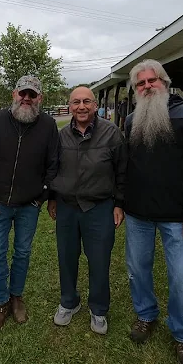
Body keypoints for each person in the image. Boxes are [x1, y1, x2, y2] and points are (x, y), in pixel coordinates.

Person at [123, 59, 183, 364]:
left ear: (164, 82)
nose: (147, 87)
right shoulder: (131, 120)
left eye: (152, 80)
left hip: (178, 217)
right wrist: (121, 202)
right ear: (135, 90)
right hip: (138, 215)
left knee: (182, 278)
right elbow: (127, 167)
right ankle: (146, 315)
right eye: (141, 83)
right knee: (137, 269)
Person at [0, 74, 59, 335]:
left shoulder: (48, 125)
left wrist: (40, 197)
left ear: (39, 98)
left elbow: (53, 165)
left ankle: (16, 297)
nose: (26, 98)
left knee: (22, 253)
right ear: (14, 94)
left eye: (32, 94)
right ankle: (0, 304)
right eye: (22, 93)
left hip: (28, 205)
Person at [47, 86, 127, 335]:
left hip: (99, 207)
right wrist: (52, 198)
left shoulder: (112, 133)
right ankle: (69, 301)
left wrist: (119, 203)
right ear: (69, 106)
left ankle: (99, 309)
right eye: (75, 102)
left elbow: (122, 171)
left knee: (99, 260)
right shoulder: (61, 137)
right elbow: (52, 169)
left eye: (86, 102)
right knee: (66, 257)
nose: (81, 106)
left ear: (95, 106)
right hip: (67, 207)